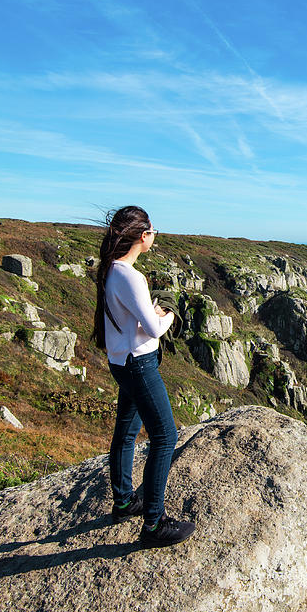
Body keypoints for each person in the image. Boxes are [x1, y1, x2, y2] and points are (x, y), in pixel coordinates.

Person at [91, 206, 195, 548]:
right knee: (165, 436)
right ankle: (154, 523)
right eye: (152, 229)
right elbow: (152, 328)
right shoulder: (131, 276)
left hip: (120, 361)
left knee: (127, 431)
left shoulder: (112, 270)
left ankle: (123, 501)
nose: (154, 234)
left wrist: (148, 312)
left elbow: (128, 318)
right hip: (139, 364)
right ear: (142, 236)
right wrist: (167, 313)